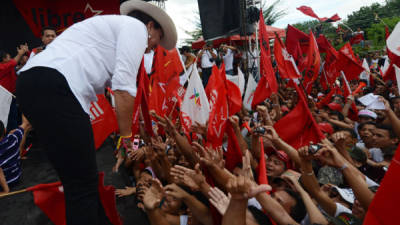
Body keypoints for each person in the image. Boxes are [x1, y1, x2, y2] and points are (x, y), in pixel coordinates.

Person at [16, 0, 177, 224]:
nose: (152, 49)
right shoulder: (135, 28)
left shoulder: (111, 30)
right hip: (56, 86)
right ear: (150, 26)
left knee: (80, 183)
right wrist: (127, 138)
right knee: (82, 187)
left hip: (33, 84)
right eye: (157, 41)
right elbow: (123, 89)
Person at [0, 116, 31, 193]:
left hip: (2, 185)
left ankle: (5, 189)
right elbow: (25, 125)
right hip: (15, 178)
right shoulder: (13, 138)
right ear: (4, 130)